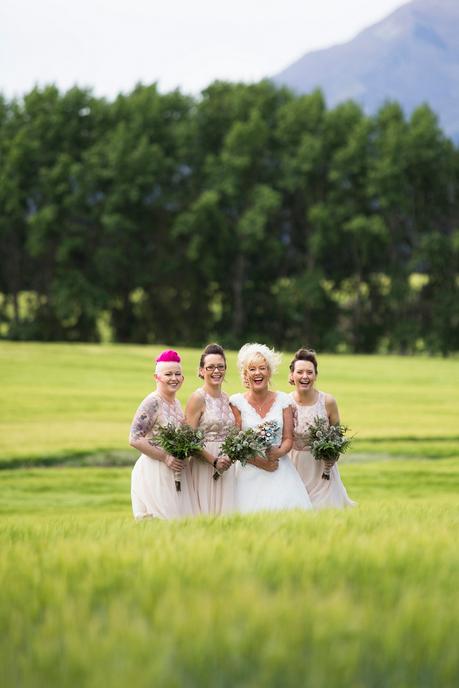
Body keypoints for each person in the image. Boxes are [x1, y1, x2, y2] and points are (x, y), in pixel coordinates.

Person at [230, 343, 312, 513]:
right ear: (246, 374)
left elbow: (288, 438)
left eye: (262, 368)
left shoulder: (283, 400)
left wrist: (279, 453)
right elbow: (235, 445)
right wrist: (261, 463)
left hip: (279, 467)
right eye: (252, 369)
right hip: (248, 471)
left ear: (269, 372)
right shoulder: (236, 403)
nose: (257, 373)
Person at [129, 349, 198, 519]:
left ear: (183, 378)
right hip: (155, 472)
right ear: (157, 377)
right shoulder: (153, 401)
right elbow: (134, 438)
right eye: (168, 374)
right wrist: (165, 457)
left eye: (177, 374)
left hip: (175, 472)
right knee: (163, 521)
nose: (174, 378)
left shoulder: (176, 403)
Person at [289, 348, 356, 509]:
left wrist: (332, 457)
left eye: (309, 372)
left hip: (322, 471)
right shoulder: (285, 402)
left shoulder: (328, 402)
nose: (305, 376)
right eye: (300, 372)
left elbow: (337, 437)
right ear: (292, 375)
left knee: (323, 510)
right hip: (294, 468)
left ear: (316, 376)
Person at [185, 343, 236, 515]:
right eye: (211, 367)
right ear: (201, 371)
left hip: (227, 465)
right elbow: (189, 440)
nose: (216, 371)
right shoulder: (197, 398)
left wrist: (229, 456)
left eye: (220, 367)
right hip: (204, 465)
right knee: (205, 512)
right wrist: (213, 460)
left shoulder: (227, 398)